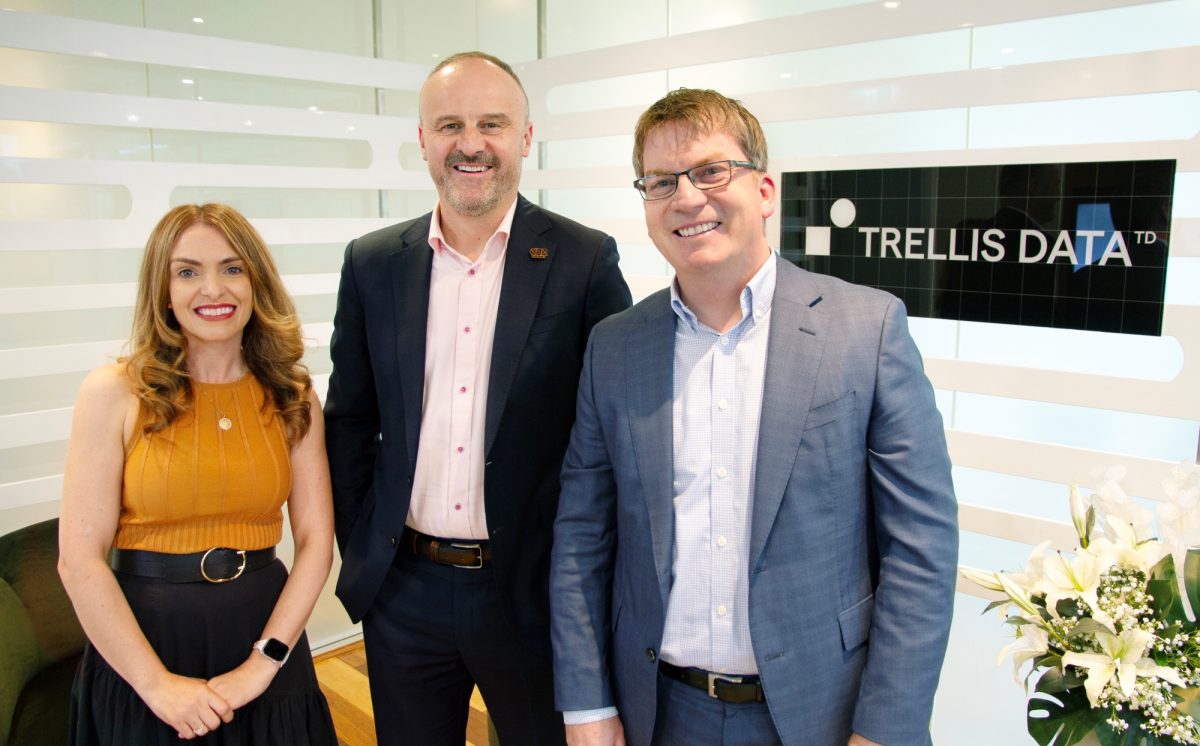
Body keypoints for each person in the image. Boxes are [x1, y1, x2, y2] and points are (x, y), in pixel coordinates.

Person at [550, 88, 959, 746]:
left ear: (764, 190)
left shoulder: (866, 329)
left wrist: (885, 729)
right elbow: (580, 541)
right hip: (659, 712)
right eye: (661, 182)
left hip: (823, 714)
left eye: (711, 171)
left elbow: (922, 551)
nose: (687, 198)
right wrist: (586, 705)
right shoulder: (615, 346)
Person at [323, 51, 632, 746]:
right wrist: (367, 545)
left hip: (530, 593)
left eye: (492, 124)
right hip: (404, 594)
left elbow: (613, 434)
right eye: (450, 125)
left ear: (525, 138)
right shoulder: (373, 263)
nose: (471, 143)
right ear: (424, 139)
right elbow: (349, 421)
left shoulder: (585, 261)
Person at [59, 203, 337, 745]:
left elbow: (315, 540)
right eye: (187, 271)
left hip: (263, 636)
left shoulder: (292, 394)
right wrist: (157, 685)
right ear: (163, 290)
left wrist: (265, 661)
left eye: (233, 268)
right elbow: (78, 561)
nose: (214, 288)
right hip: (144, 647)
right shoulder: (113, 391)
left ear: (256, 282)